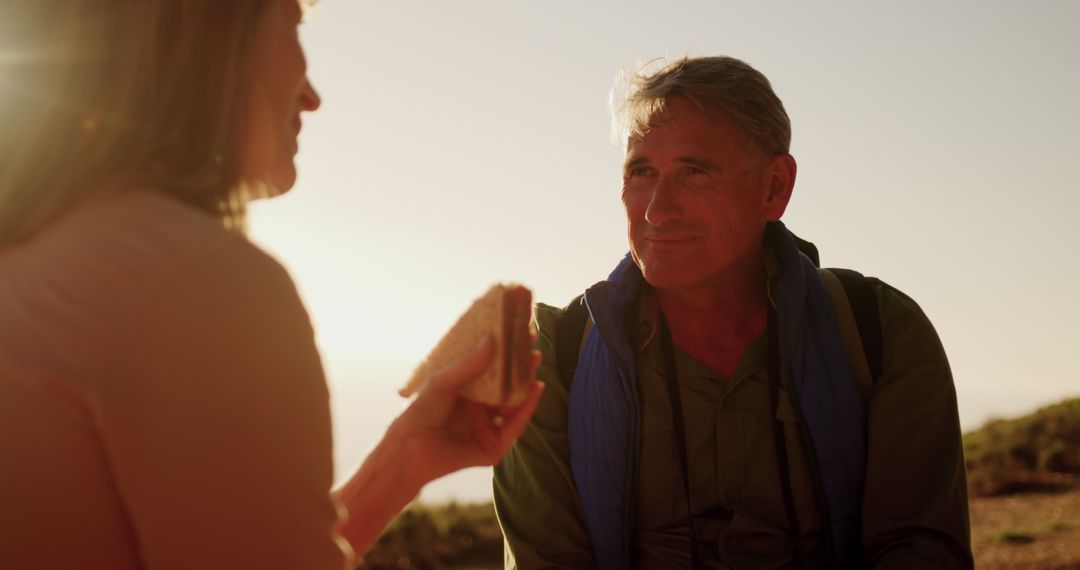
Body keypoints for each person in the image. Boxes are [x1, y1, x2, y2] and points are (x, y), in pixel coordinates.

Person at [0, 1, 542, 568]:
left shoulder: (42, 263)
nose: (311, 94)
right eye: (292, 25)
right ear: (214, 36)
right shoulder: (195, 279)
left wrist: (403, 460)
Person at [494, 56, 972, 569]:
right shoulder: (544, 364)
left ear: (775, 188)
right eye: (641, 171)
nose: (657, 209)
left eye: (694, 172)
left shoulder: (880, 331)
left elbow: (920, 550)